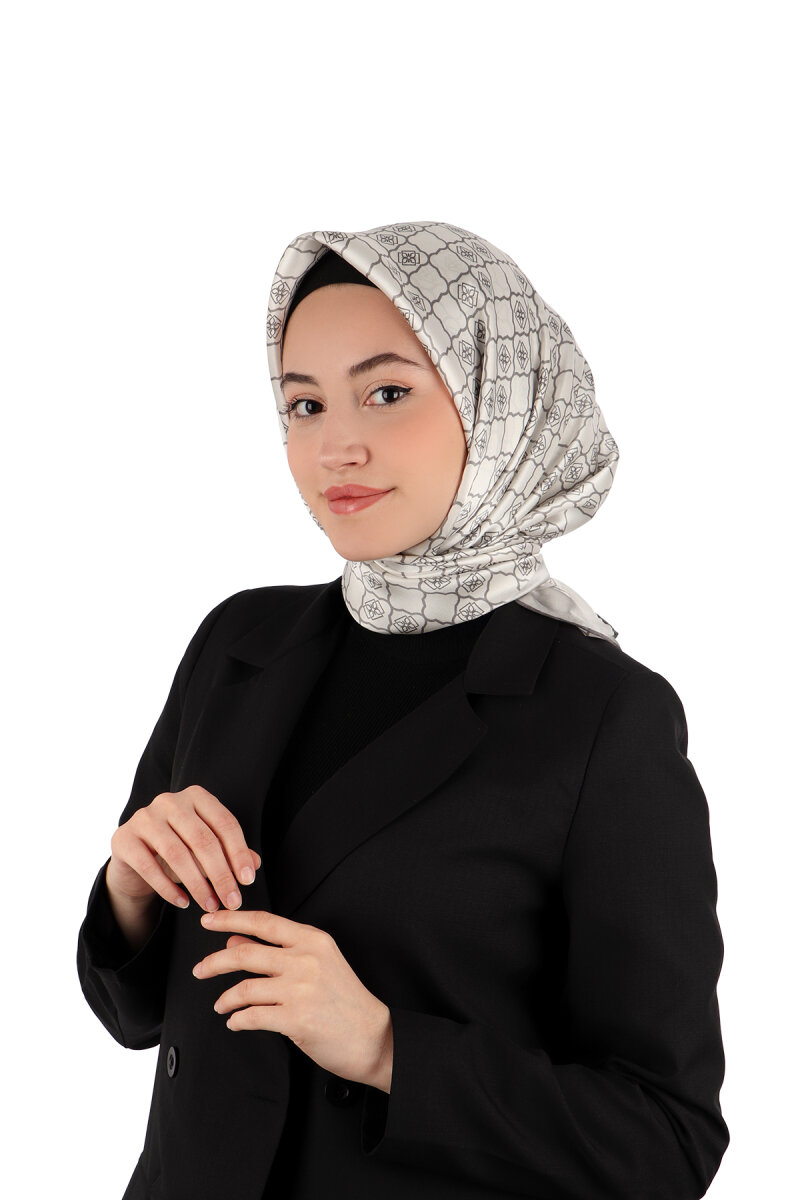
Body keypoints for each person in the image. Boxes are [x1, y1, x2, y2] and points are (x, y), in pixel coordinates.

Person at [77, 220, 729, 1200]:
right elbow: (140, 1015)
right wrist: (130, 893)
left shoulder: (602, 715)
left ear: (499, 400)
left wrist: (387, 1048)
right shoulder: (239, 644)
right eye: (303, 403)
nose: (334, 446)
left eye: (386, 392)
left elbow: (664, 1142)